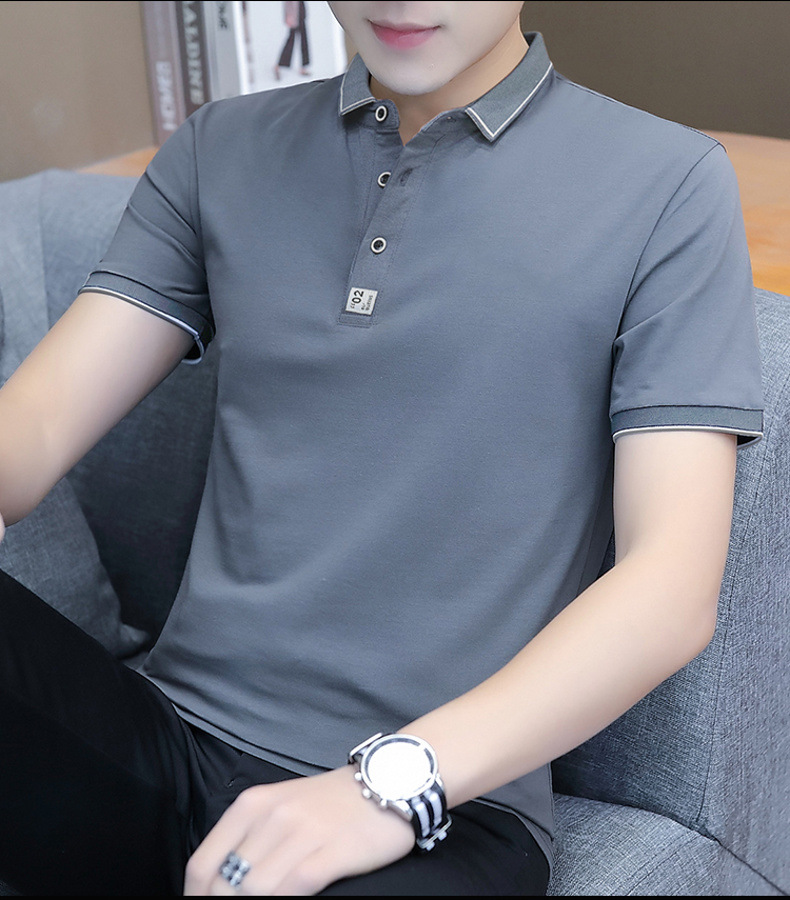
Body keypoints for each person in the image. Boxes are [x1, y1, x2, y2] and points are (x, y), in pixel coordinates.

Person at [0, 1, 764, 895]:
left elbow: (670, 589)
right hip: (160, 744)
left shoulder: (668, 184)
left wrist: (385, 786)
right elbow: (37, 426)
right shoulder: (221, 148)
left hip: (444, 811)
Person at [274, 1, 311, 80]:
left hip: (301, 14)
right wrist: (288, 17)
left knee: (303, 40)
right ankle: (279, 65)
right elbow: (288, 4)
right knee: (291, 41)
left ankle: (303, 67)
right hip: (294, 16)